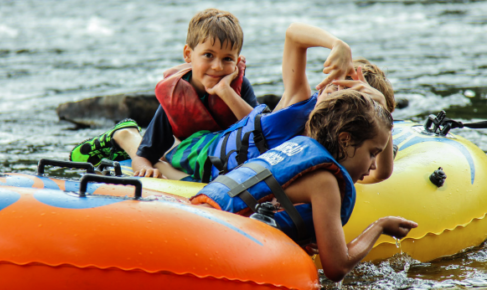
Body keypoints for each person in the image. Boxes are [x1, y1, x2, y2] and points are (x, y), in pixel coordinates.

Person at [191, 90, 418, 282]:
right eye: (372, 153)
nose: (373, 165)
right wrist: (380, 226)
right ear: (345, 140)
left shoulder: (296, 148)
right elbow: (337, 268)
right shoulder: (326, 182)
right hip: (213, 239)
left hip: (199, 212)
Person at [164, 23, 395, 183]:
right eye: (335, 89)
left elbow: (381, 174)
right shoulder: (299, 104)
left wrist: (382, 108)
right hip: (203, 149)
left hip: (226, 169)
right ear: (323, 85)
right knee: (161, 153)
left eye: (351, 105)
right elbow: (293, 34)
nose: (336, 102)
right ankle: (128, 135)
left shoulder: (342, 151)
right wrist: (337, 44)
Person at [69, 8, 258, 178]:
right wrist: (145, 168)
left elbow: (261, 130)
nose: (217, 66)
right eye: (208, 55)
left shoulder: (239, 88)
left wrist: (226, 92)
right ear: (188, 54)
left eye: (227, 59)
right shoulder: (177, 95)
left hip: (217, 153)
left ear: (237, 61)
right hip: (184, 151)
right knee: (164, 159)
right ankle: (124, 135)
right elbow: (144, 155)